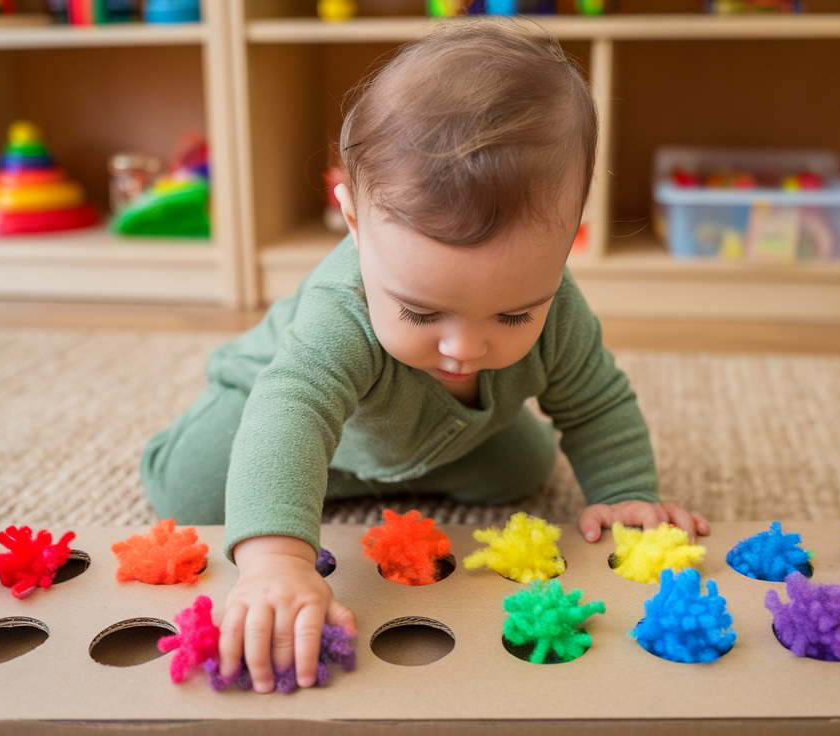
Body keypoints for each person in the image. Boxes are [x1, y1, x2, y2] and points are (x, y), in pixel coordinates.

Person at [140, 17, 709, 695]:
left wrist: (626, 496)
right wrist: (276, 564)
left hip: (429, 433)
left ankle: (375, 472)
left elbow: (597, 402)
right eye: (420, 312)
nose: (464, 348)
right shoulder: (340, 308)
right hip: (274, 405)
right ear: (355, 223)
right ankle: (309, 477)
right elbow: (291, 412)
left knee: (525, 468)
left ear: (568, 243)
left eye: (513, 314)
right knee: (193, 491)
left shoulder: (561, 308)